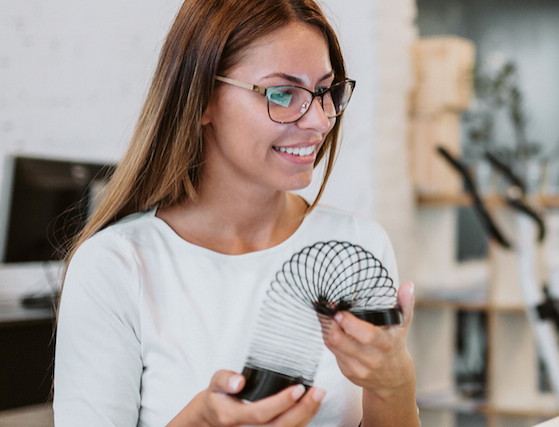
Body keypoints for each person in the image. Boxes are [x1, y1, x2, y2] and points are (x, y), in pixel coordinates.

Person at [52, 1, 419, 426]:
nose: (320, 120)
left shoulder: (357, 248)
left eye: (325, 91)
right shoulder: (115, 267)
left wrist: (394, 384)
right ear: (202, 99)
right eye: (283, 94)